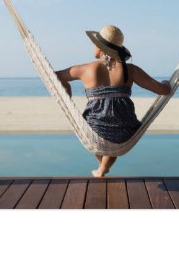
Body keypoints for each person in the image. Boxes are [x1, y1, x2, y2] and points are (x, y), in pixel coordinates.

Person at [56, 24, 171, 177]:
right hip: (124, 132)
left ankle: (102, 169)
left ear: (99, 47)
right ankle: (102, 169)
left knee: (97, 140)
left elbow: (55, 76)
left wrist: (67, 95)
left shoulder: (85, 69)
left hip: (94, 129)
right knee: (114, 140)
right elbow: (163, 90)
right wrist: (166, 83)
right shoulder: (130, 70)